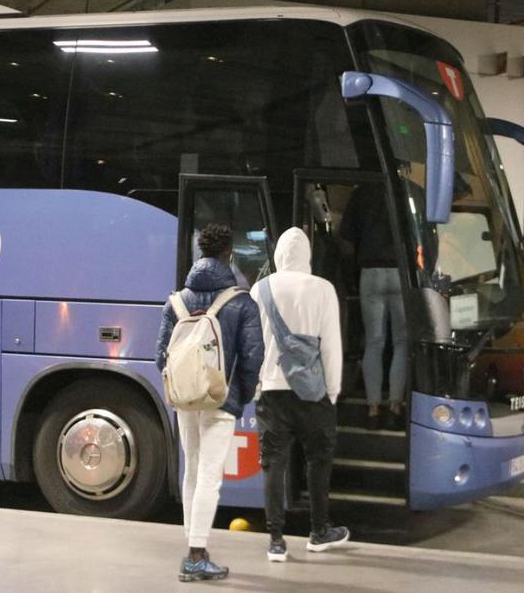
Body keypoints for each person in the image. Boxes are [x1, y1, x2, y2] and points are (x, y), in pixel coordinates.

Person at [155, 223, 264, 583]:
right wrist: (240, 396)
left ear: (199, 254)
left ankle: (194, 544)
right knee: (209, 477)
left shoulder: (177, 300)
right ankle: (195, 556)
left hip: (186, 398)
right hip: (220, 397)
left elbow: (161, 357)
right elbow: (252, 357)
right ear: (228, 255)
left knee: (193, 469)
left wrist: (181, 387)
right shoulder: (241, 302)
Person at [251, 227, 348, 562]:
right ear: (307, 255)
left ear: (279, 255)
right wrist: (332, 391)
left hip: (272, 391)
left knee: (272, 465)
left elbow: (253, 345)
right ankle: (319, 531)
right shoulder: (323, 289)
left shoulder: (259, 289)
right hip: (313, 393)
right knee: (318, 461)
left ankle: (276, 540)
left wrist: (256, 383)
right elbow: (331, 346)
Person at [339, 184, 408, 430]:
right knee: (401, 341)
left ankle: (372, 409)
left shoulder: (360, 193)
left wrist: (350, 278)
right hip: (401, 274)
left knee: (374, 341)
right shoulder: (408, 191)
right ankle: (395, 406)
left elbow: (346, 242)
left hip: (369, 272)